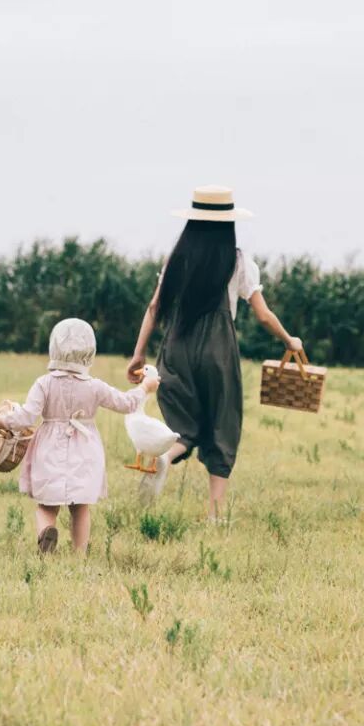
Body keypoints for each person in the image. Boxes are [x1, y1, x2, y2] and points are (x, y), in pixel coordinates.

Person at [127, 185, 302, 520]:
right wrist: (288, 339)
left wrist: (138, 354)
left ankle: (166, 456)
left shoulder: (176, 259)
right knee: (223, 422)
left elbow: (154, 307)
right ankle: (215, 515)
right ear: (228, 223)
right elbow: (263, 315)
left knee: (183, 422)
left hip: (176, 346)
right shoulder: (237, 261)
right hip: (217, 351)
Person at [0, 318, 159, 554]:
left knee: (46, 504)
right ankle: (79, 554)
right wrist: (145, 387)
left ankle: (46, 533)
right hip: (85, 450)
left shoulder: (44, 384)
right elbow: (126, 403)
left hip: (49, 449)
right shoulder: (94, 386)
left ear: (54, 348)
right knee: (80, 507)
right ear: (89, 352)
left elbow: (25, 417)